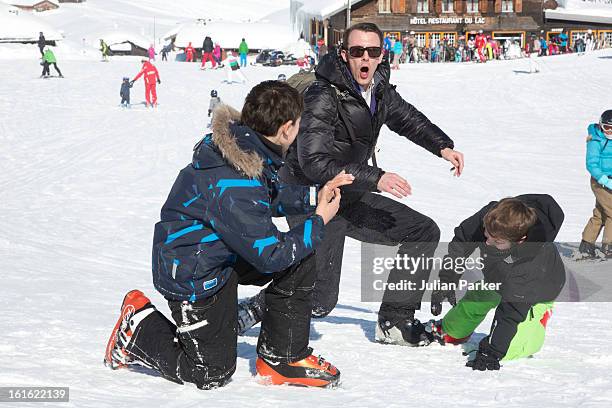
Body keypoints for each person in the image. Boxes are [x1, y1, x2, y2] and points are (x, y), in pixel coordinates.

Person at [104, 80, 353, 388]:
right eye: (300, 125)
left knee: (300, 256)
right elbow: (270, 255)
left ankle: (282, 357)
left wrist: (314, 197)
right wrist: (318, 221)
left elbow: (266, 196)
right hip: (194, 273)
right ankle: (138, 326)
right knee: (211, 372)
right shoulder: (235, 179)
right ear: (286, 129)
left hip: (219, 253)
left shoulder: (244, 149)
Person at [238, 22, 465, 346]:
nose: (365, 59)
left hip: (351, 192)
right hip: (313, 196)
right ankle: (255, 309)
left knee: (421, 232)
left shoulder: (379, 90)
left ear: (381, 54)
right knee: (318, 298)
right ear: (344, 55)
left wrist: (442, 146)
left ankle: (395, 322)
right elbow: (314, 162)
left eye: (372, 52)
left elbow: (407, 119)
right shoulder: (323, 95)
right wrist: (377, 177)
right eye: (357, 51)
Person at [427, 195, 566, 371]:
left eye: (497, 241)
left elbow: (510, 313)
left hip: (538, 290)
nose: (487, 242)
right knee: (479, 296)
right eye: (486, 234)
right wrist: (447, 279)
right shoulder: (494, 217)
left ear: (521, 239)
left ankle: (539, 316)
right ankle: (450, 331)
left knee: (512, 348)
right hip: (498, 274)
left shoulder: (530, 265)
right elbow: (463, 241)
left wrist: (491, 352)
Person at [579, 110, 612, 259]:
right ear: (600, 125)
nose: (610, 131)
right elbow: (591, 164)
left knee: (600, 213)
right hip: (600, 181)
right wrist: (604, 180)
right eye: (607, 127)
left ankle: (587, 244)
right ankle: (608, 246)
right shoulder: (595, 140)